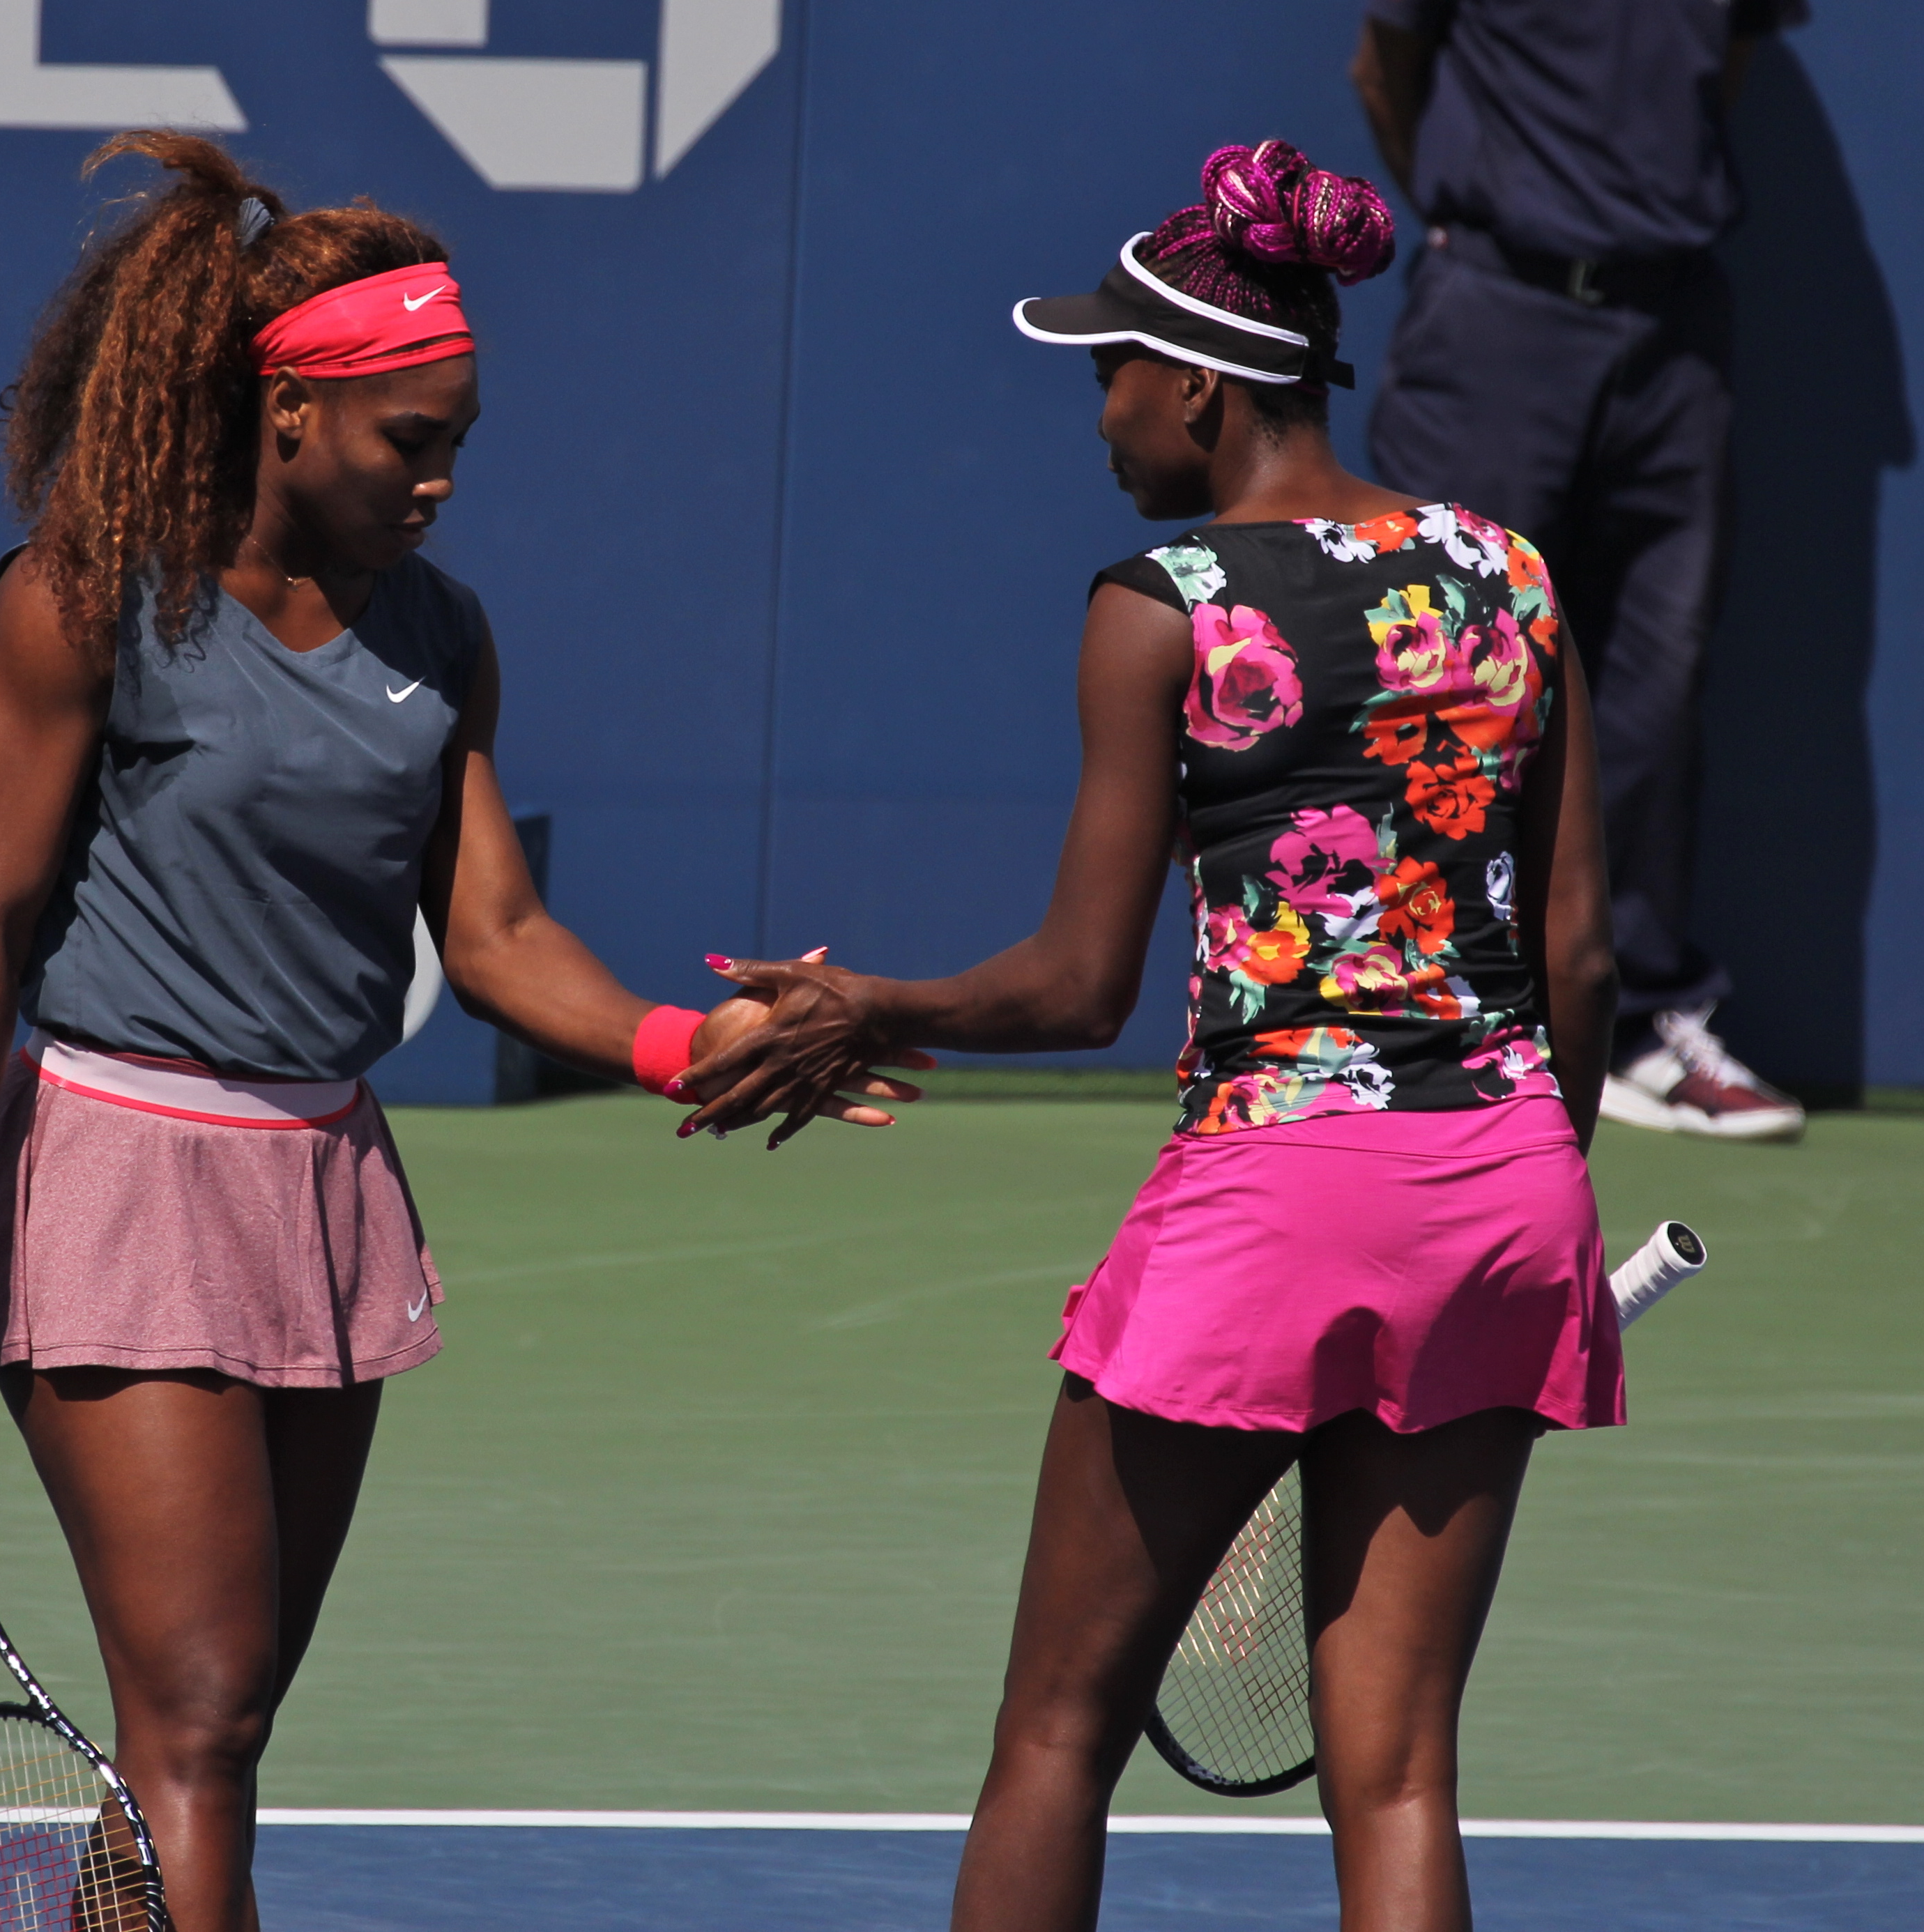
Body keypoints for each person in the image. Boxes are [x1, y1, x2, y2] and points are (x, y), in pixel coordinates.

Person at [0, 131, 922, 1932]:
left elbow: (495, 933)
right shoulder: (85, 595)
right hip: (116, 1169)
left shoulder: (443, 634)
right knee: (196, 1718)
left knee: (213, 1720)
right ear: (287, 411)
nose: (440, 481)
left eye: (459, 443)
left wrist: (689, 1041)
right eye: (406, 441)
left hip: (328, 1187)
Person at [680, 142, 1625, 1932]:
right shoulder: (1506, 572)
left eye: (1109, 370)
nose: (1097, 411)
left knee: (1053, 1731)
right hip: (1502, 1192)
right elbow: (1574, 954)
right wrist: (1518, 1184)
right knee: (1404, 1770)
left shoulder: (1162, 604)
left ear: (1192, 380)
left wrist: (868, 1002)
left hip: (1274, 1197)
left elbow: (1074, 988)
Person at [1352, 0, 1812, 1142]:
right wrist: (1504, 231)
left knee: (1654, 679)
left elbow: (1727, 67)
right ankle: (1419, 1020)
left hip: (1675, 328)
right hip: (1494, 319)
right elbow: (1384, 68)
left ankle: (1641, 1022)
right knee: (1444, 669)